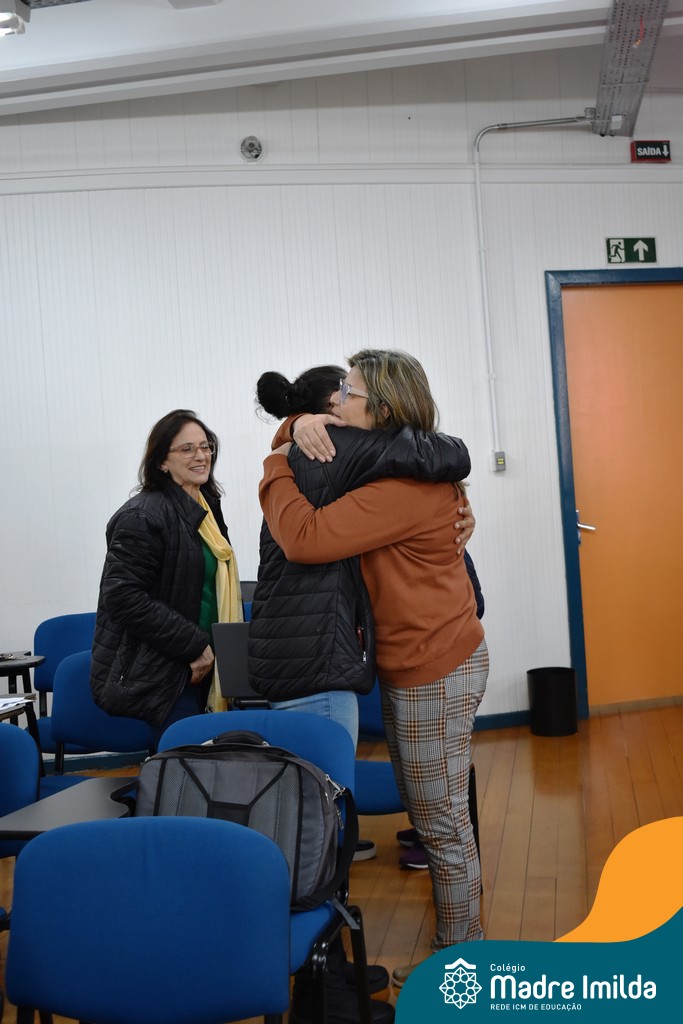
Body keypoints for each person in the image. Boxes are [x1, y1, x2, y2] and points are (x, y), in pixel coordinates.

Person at [259, 350, 489, 986]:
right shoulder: (391, 464)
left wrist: (274, 464)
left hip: (432, 664)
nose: (337, 400)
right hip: (432, 656)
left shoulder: (399, 488)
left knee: (440, 822)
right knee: (438, 812)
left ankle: (461, 967)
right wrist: (295, 425)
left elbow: (304, 538)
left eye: (349, 392)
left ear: (382, 410)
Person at [251, 365, 474, 747]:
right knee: (328, 781)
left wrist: (289, 430)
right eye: (341, 392)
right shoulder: (332, 451)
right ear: (328, 409)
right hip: (321, 655)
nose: (342, 399)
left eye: (349, 392)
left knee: (314, 780)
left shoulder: (307, 459)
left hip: (294, 648)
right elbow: (438, 453)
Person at [90, 410, 241, 742]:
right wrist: (194, 646)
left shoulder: (206, 508)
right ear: (161, 462)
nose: (201, 456)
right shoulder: (141, 516)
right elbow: (123, 598)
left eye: (205, 446)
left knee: (209, 764)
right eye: (187, 449)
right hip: (168, 669)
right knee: (181, 765)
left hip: (211, 665)